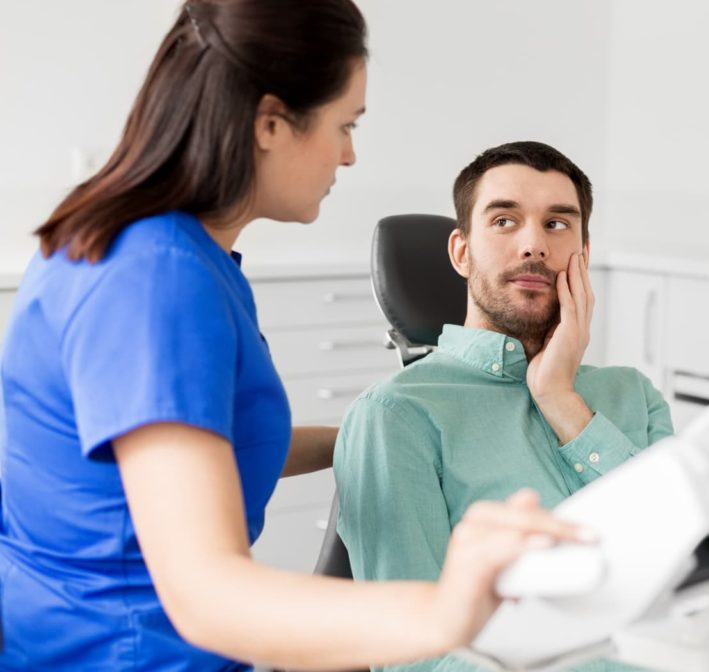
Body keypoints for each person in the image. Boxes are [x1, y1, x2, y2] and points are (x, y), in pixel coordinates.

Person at [0, 4, 585, 670]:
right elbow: (207, 597)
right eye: (345, 125)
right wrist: (445, 607)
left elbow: (197, 449)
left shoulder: (168, 251)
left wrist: (393, 431)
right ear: (272, 122)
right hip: (121, 652)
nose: (350, 153)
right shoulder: (156, 280)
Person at [335, 142, 709, 671]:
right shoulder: (397, 416)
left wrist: (560, 399)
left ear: (584, 253)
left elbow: (691, 571)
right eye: (505, 220)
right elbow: (415, 660)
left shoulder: (632, 395)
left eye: (556, 224)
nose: (533, 245)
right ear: (461, 252)